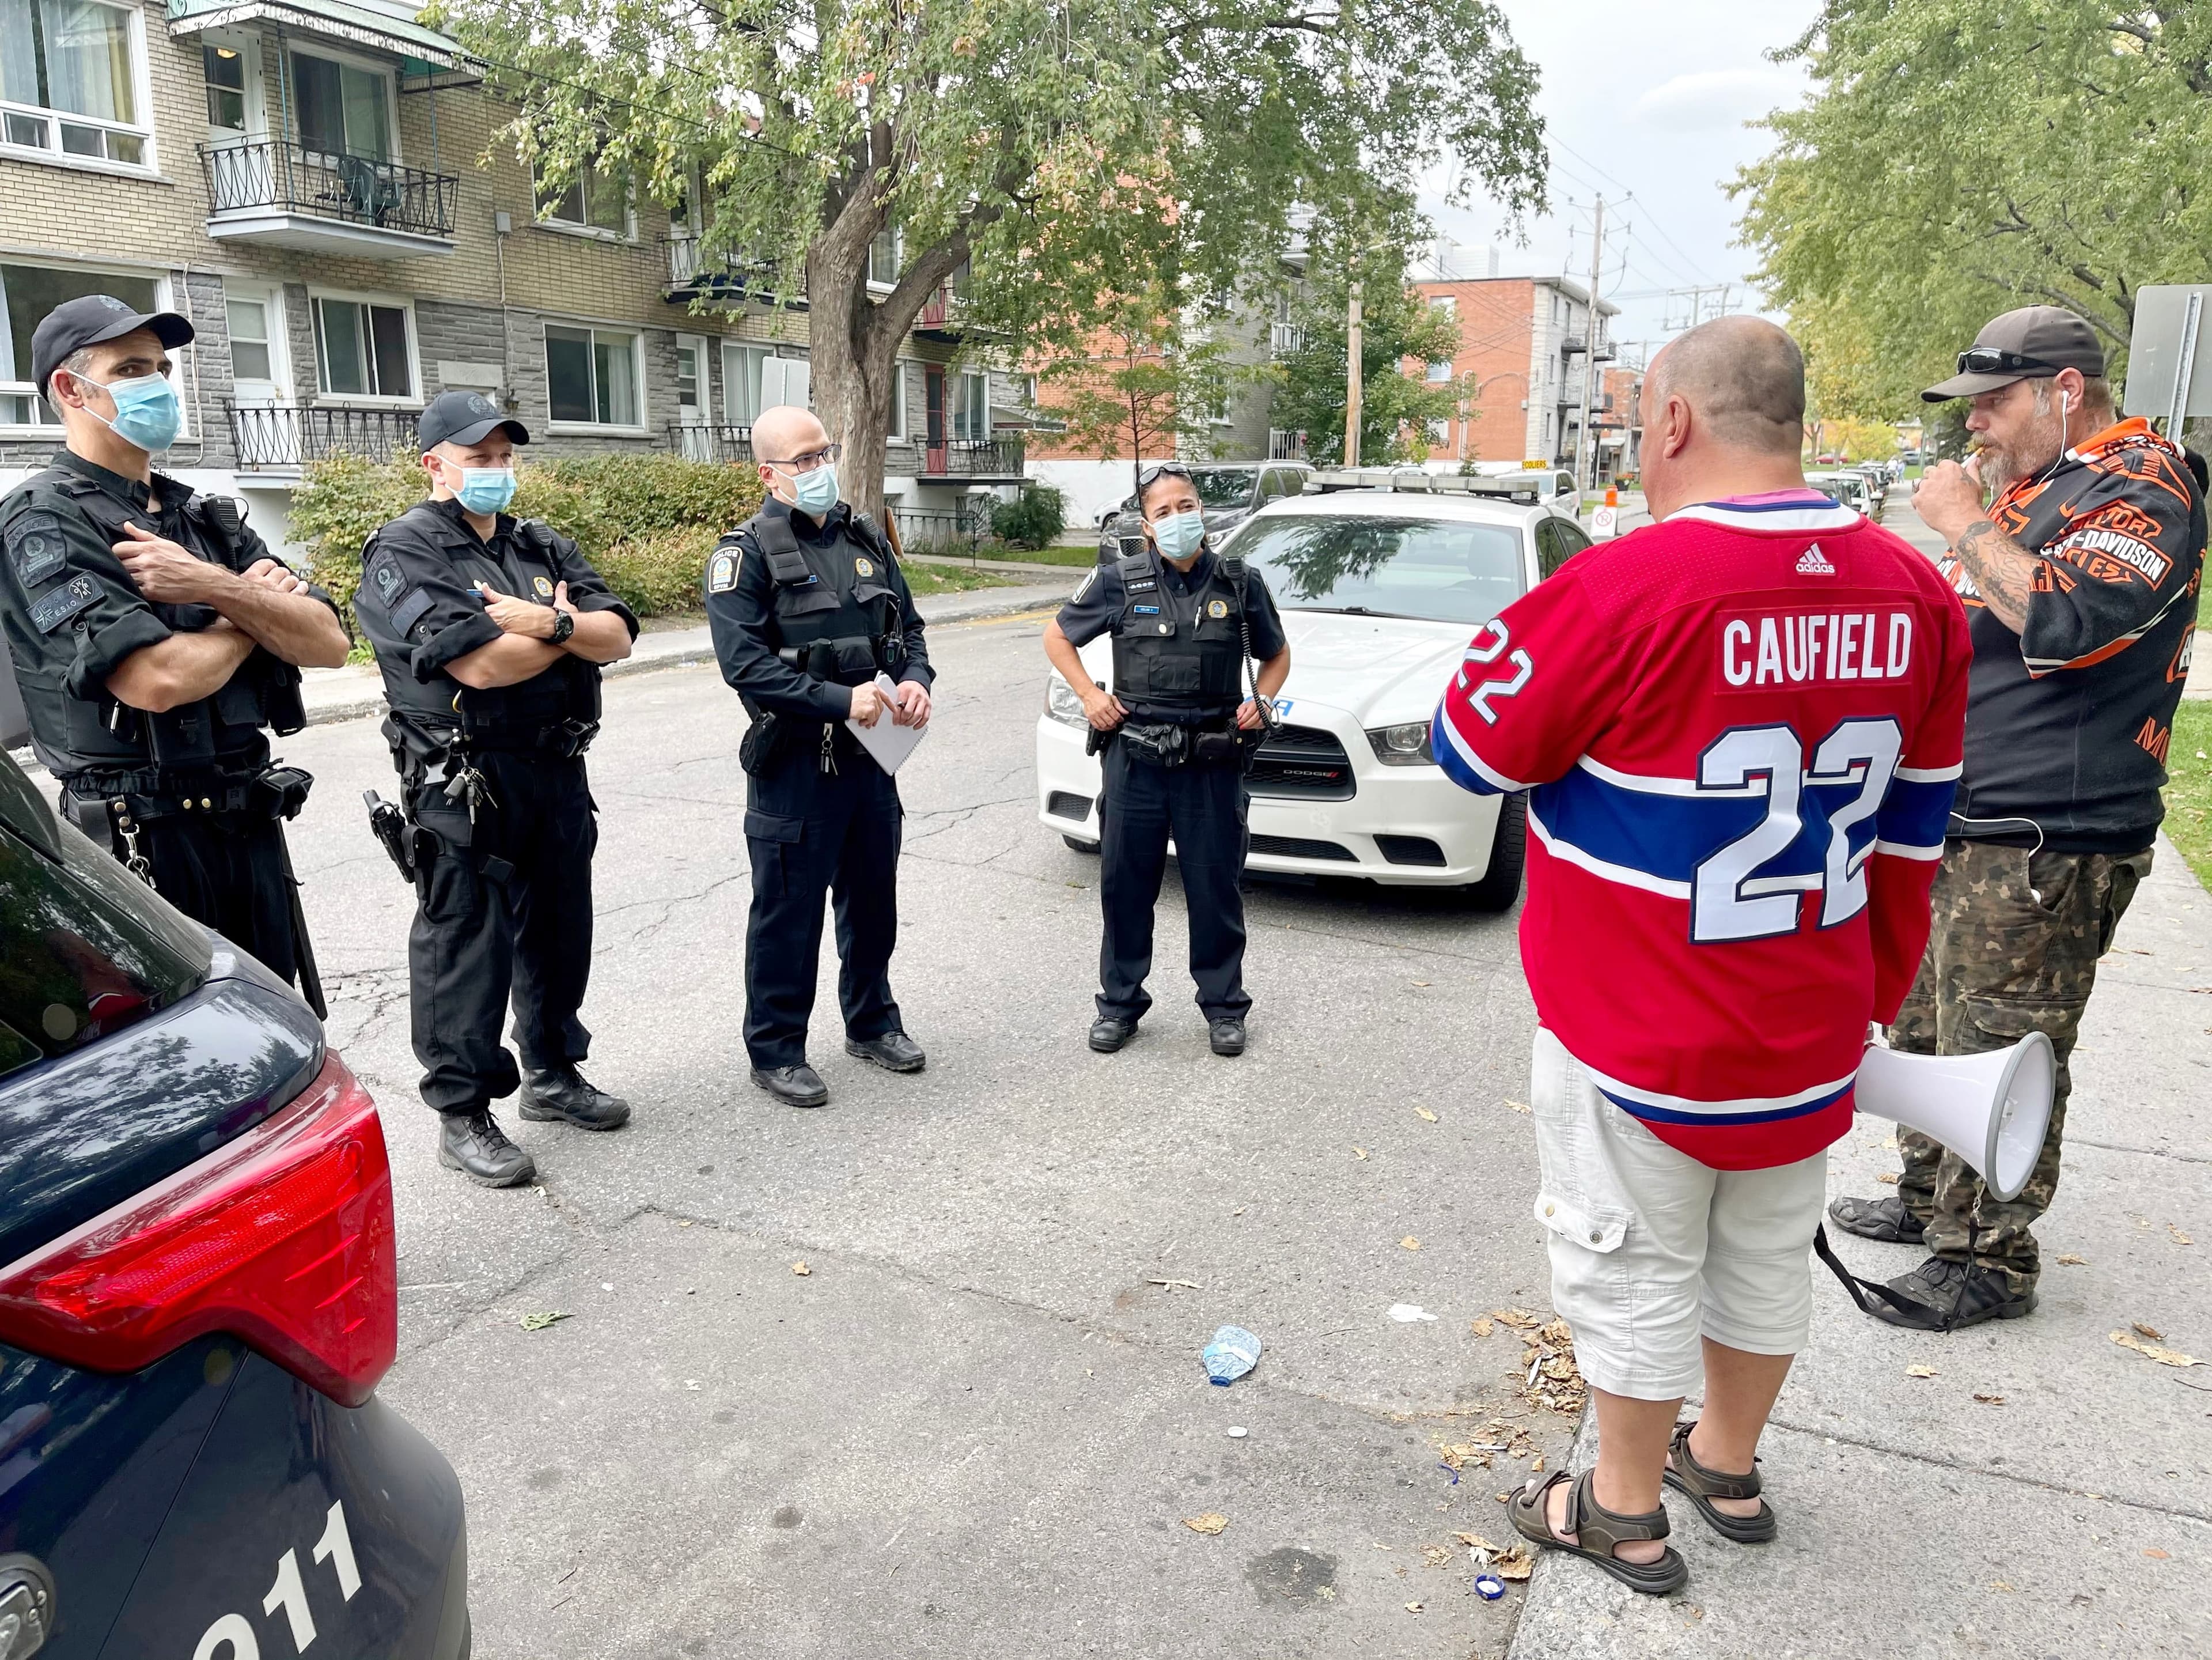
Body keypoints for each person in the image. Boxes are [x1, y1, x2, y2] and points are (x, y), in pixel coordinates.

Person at [1434, 317, 1970, 1594]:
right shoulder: (1918, 591)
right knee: (1764, 1256)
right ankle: (1725, 1462)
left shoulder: (1622, 586)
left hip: (1639, 1028)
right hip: (1808, 1021)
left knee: (1626, 1258)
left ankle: (1619, 1508)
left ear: (1672, 422)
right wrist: (1866, 1006)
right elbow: (1914, 837)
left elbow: (1474, 747)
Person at [1828, 306, 2208, 1328]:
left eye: (1994, 404)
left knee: (1997, 1046)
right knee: (1921, 1026)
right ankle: (1926, 1201)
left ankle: (1989, 1257)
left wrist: (1961, 521)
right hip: (1968, 815)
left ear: (2065, 390)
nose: (1976, 430)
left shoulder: (2146, 487)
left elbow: (2065, 617)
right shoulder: (2045, 490)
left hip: (2049, 833)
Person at [0, 295, 348, 1001]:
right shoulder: (44, 520)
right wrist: (250, 609)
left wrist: (212, 586)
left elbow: (330, 642)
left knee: (273, 1027)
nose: (158, 383)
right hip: (140, 835)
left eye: (162, 367)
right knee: (188, 1045)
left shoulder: (202, 516)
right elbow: (156, 680)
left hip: (247, 818)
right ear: (71, 389)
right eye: (131, 368)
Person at [353, 391, 638, 1186]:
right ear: (435, 465)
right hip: (464, 780)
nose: (496, 471)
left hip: (554, 767)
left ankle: (552, 1073)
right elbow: (478, 665)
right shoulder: (406, 551)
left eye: (506, 457)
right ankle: (464, 1112)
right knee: (465, 947)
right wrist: (561, 631)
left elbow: (616, 633)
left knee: (558, 930)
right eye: (479, 458)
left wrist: (541, 624)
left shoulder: (537, 541)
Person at [704, 404, 933, 1109]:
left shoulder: (867, 538)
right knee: (788, 913)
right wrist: (841, 701)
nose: (819, 469)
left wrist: (918, 682)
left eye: (823, 453)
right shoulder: (742, 556)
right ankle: (775, 1049)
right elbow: (746, 666)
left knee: (873, 902)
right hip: (798, 765)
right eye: (802, 460)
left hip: (872, 761)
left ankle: (871, 1023)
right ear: (769, 474)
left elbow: (911, 630)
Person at [1041, 463, 1290, 1058]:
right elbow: (1058, 637)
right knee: (1125, 888)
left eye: (1187, 506)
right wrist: (1090, 696)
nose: (1178, 518)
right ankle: (1120, 1006)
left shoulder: (1239, 580)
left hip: (1212, 760)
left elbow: (1277, 656)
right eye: (1164, 511)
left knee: (1215, 889)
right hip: (1136, 761)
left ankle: (1224, 1007)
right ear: (1147, 526)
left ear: (1201, 510)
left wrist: (1265, 699)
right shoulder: (1118, 579)